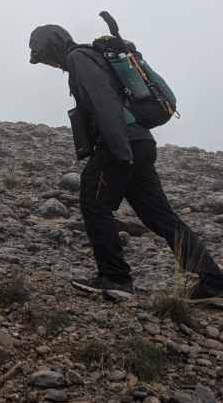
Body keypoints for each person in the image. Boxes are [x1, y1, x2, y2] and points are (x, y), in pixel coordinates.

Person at [29, 24, 223, 304]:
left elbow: (103, 101)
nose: (47, 63)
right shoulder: (91, 57)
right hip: (141, 140)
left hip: (122, 142)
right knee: (160, 215)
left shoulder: (78, 58)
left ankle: (115, 278)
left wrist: (119, 148)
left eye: (44, 56)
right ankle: (213, 281)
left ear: (54, 46)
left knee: (93, 201)